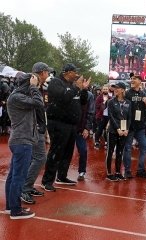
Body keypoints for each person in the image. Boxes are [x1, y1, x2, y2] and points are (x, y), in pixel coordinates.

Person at [41, 63, 90, 191]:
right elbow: (64, 98)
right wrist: (76, 88)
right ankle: (47, 180)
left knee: (68, 152)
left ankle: (61, 176)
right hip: (58, 123)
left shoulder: (73, 86)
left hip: (72, 124)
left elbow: (83, 102)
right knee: (56, 152)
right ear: (67, 72)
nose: (77, 75)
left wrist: (84, 89)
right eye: (75, 72)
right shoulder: (56, 83)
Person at [5, 71, 44, 219]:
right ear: (29, 83)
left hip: (21, 140)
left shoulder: (18, 96)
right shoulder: (17, 97)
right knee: (18, 177)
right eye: (35, 84)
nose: (37, 87)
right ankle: (15, 210)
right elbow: (39, 104)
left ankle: (11, 207)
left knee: (14, 176)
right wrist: (34, 88)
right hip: (22, 141)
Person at [20, 63, 52, 205]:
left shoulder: (36, 85)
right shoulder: (30, 85)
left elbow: (41, 109)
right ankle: (24, 188)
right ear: (42, 72)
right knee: (39, 158)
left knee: (36, 158)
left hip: (37, 127)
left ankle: (27, 186)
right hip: (31, 129)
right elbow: (36, 105)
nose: (48, 75)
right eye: (47, 73)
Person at [123, 75, 146, 179]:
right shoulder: (127, 93)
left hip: (141, 126)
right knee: (127, 149)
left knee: (144, 147)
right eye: (131, 79)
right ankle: (127, 171)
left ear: (140, 81)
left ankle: (141, 170)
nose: (132, 80)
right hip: (129, 126)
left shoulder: (144, 94)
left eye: (134, 79)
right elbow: (122, 111)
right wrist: (123, 127)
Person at [106, 82, 131, 181]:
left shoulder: (128, 103)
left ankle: (117, 172)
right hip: (113, 130)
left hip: (124, 131)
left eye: (118, 88)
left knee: (120, 152)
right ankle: (109, 173)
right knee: (110, 151)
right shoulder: (111, 102)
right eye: (114, 88)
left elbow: (129, 117)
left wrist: (127, 129)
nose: (115, 89)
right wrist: (118, 129)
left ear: (123, 90)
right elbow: (111, 116)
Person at [75, 89, 95, 181]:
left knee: (83, 150)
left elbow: (91, 112)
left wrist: (87, 128)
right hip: (68, 127)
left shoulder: (89, 95)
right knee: (65, 151)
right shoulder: (69, 90)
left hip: (81, 128)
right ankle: (61, 173)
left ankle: (82, 172)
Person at [94, 84, 111, 149]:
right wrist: (103, 103)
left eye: (106, 89)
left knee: (107, 130)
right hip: (101, 116)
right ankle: (96, 141)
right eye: (104, 89)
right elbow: (96, 106)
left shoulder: (110, 98)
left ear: (108, 90)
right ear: (102, 90)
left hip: (108, 116)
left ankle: (106, 142)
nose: (105, 90)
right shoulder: (99, 97)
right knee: (99, 129)